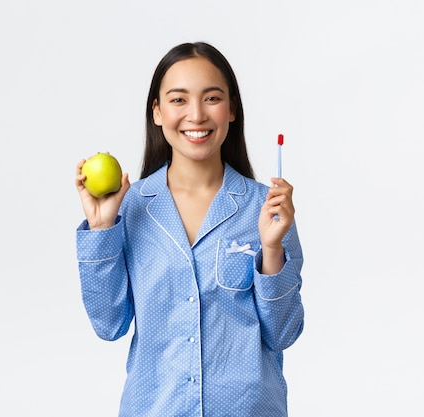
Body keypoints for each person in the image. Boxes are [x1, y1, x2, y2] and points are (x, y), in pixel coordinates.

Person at [74, 41, 304, 417]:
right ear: (158, 112)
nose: (196, 115)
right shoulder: (130, 208)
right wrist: (102, 229)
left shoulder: (269, 209)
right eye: (178, 100)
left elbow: (283, 333)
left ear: (231, 110)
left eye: (211, 98)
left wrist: (272, 251)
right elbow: (108, 324)